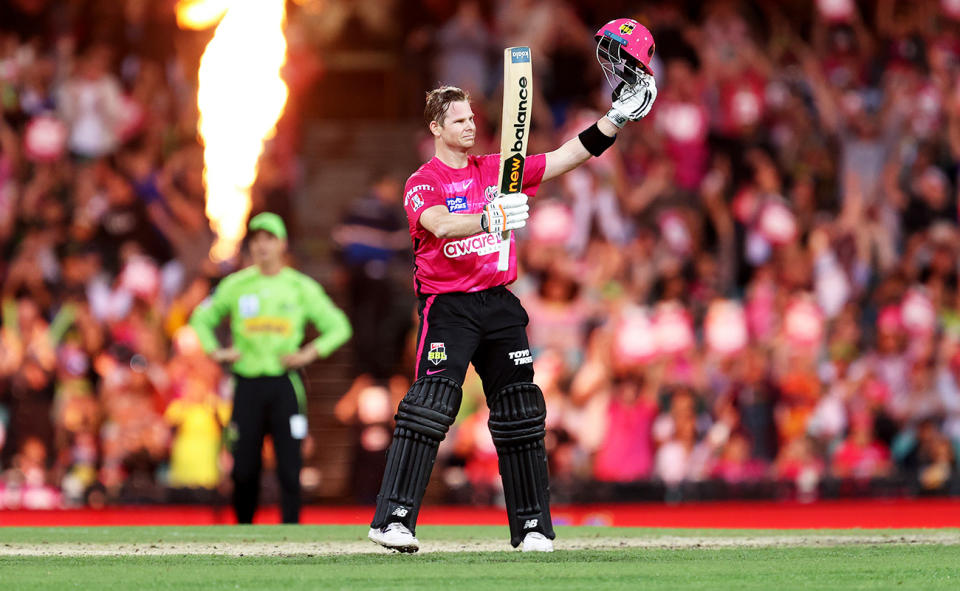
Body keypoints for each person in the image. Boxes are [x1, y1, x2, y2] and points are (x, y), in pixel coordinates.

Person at [368, 19, 658, 553]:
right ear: (436, 127)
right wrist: (490, 219)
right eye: (459, 120)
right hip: (448, 306)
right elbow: (439, 225)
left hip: (499, 303)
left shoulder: (497, 169)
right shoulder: (422, 181)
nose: (471, 125)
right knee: (432, 403)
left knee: (522, 408)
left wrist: (615, 120)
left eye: (473, 116)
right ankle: (394, 519)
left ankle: (531, 528)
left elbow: (564, 158)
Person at [189, 212, 352, 524]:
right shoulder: (236, 285)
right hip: (247, 385)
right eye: (256, 240)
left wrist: (308, 354)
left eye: (269, 239)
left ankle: (291, 533)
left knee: (290, 467)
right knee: (243, 469)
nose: (262, 246)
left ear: (282, 244)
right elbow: (201, 318)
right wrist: (217, 352)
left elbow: (339, 326)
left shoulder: (299, 287)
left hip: (284, 385)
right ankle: (243, 533)